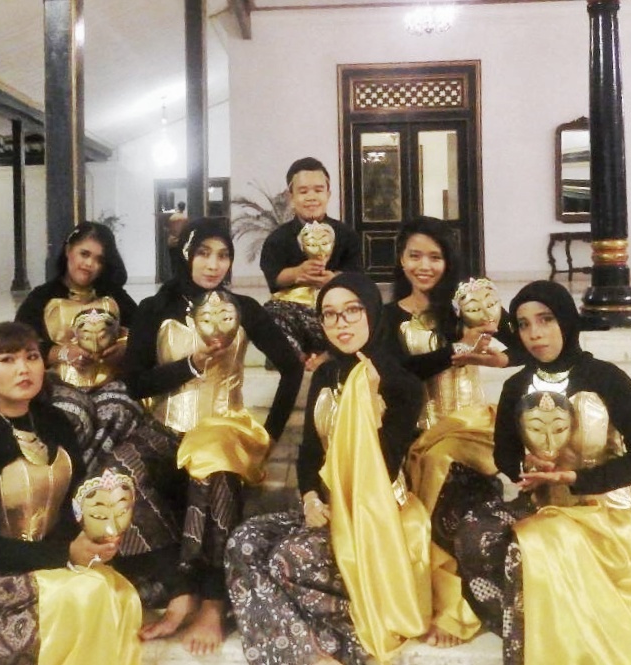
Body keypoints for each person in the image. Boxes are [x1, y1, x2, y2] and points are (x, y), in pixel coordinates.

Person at [434, 281, 631, 664]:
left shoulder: (606, 378)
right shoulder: (516, 385)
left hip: (603, 512)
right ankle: (522, 619)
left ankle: (540, 643)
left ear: (566, 321)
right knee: (474, 530)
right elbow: (505, 454)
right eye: (524, 325)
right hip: (542, 503)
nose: (535, 333)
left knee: (533, 544)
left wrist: (577, 480)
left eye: (546, 320)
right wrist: (526, 466)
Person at [226, 272, 430, 665]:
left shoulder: (401, 384)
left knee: (286, 558)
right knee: (244, 541)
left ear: (372, 314)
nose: (341, 323)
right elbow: (308, 453)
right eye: (330, 314)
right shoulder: (325, 373)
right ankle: (311, 655)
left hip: (374, 517)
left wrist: (371, 403)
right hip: (326, 510)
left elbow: (382, 466)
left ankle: (335, 649)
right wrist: (309, 498)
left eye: (352, 311)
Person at [123, 216, 303, 655]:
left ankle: (213, 602)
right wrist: (191, 365)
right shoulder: (155, 308)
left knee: (214, 469)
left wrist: (269, 435)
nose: (213, 264)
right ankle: (180, 588)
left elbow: (292, 367)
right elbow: (135, 382)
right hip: (167, 427)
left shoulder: (243, 308)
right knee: (116, 476)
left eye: (223, 255)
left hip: (223, 427)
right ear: (186, 254)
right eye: (203, 253)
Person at [0, 321, 143, 665]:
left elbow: (72, 503)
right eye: (7, 360)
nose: (23, 368)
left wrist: (94, 535)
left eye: (31, 357)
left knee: (117, 592)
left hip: (38, 555)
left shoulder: (54, 422)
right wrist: (66, 553)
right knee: (82, 595)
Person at [376, 217, 523, 648]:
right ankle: (437, 604)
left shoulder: (466, 303)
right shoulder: (388, 316)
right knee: (432, 502)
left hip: (471, 432)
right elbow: (400, 371)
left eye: (435, 257)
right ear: (401, 259)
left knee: (464, 501)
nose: (424, 266)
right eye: (415, 256)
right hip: (421, 438)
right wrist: (457, 351)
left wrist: (495, 357)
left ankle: (464, 608)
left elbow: (520, 343)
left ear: (448, 261)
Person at [15, 221, 143, 472]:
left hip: (109, 381)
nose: (89, 264)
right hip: (59, 383)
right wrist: (63, 353)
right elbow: (20, 344)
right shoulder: (41, 298)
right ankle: (71, 481)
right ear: (68, 250)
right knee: (73, 413)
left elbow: (144, 335)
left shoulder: (115, 297)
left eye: (99, 259)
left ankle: (88, 482)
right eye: (84, 254)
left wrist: (124, 349)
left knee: (120, 409)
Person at [260, 157, 363, 370]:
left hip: (333, 311)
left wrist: (334, 280)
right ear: (291, 197)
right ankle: (296, 359)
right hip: (295, 313)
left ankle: (327, 357)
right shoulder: (277, 239)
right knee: (270, 312)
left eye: (318, 190)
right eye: (303, 191)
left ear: (328, 194)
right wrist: (297, 273)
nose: (311, 197)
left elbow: (357, 277)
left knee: (364, 313)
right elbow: (274, 278)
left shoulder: (346, 235)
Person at [167, 201, 188, 277]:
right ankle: (180, 277)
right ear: (184, 208)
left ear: (178, 207)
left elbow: (169, 229)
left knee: (173, 262)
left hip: (172, 242)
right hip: (181, 242)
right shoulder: (185, 218)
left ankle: (174, 277)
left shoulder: (172, 217)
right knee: (181, 262)